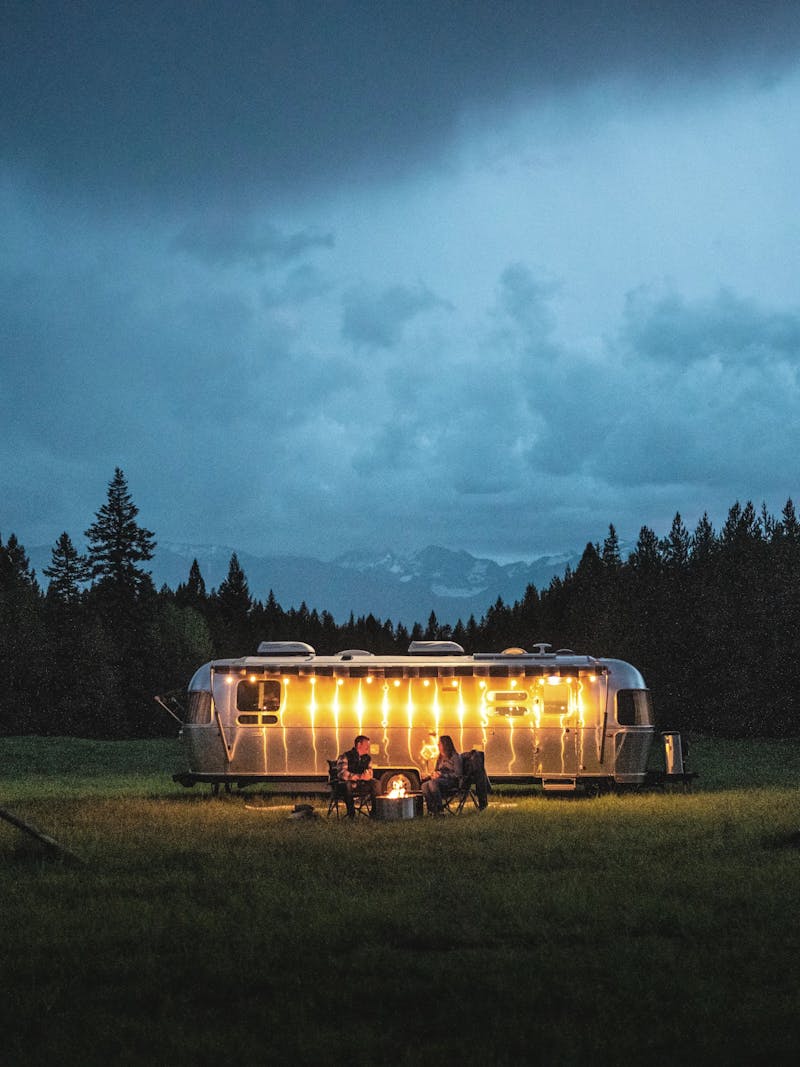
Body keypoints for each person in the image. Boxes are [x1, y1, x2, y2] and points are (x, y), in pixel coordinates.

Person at [336, 735, 379, 818]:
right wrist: (359, 777)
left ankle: (375, 812)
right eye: (367, 745)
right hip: (346, 785)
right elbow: (342, 773)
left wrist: (367, 776)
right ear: (359, 745)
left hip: (361, 785)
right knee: (347, 785)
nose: (368, 747)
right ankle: (351, 813)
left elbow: (370, 772)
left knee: (376, 783)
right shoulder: (345, 756)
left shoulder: (368, 758)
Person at [421, 735, 462, 815]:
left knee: (432, 783)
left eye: (440, 744)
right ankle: (432, 810)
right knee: (424, 785)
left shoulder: (455, 757)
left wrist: (442, 775)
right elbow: (437, 771)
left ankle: (440, 810)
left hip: (452, 782)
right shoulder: (440, 758)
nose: (438, 746)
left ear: (446, 745)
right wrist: (432, 775)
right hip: (440, 781)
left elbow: (458, 774)